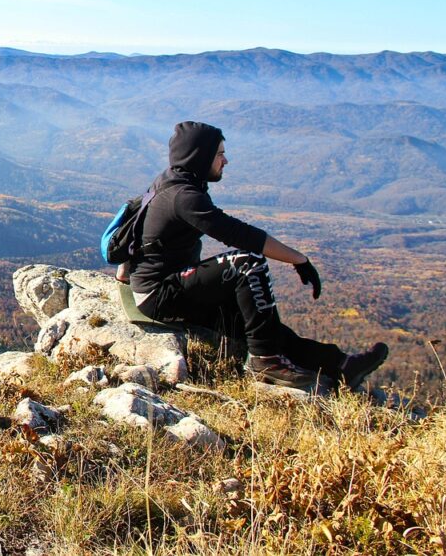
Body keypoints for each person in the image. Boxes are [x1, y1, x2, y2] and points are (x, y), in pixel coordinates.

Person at [128, 120, 388, 391]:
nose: (225, 160)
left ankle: (341, 365)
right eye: (219, 154)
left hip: (168, 288)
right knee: (247, 264)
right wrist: (299, 259)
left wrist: (129, 276)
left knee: (257, 322)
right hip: (161, 295)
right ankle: (265, 362)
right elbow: (239, 235)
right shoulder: (184, 196)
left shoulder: (171, 180)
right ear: (200, 156)